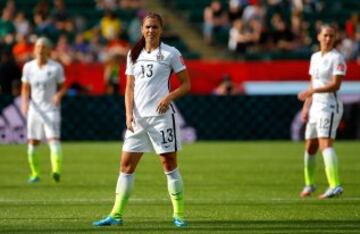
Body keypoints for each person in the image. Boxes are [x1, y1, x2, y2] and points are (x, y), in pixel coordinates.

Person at [93, 12, 191, 227]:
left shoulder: (170, 53)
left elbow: (186, 84)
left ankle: (179, 215)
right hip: (137, 120)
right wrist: (128, 114)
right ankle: (116, 215)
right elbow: (129, 88)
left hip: (161, 119)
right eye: (147, 27)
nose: (151, 30)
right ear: (141, 29)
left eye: (155, 27)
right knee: (126, 166)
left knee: (169, 164)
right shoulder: (133, 54)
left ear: (161, 30)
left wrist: (168, 97)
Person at [298, 24, 346, 199]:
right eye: (325, 35)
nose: (328, 39)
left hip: (329, 106)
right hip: (315, 107)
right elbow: (313, 82)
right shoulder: (315, 57)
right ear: (318, 36)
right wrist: (306, 107)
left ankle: (335, 185)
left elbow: (336, 84)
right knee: (310, 147)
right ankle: (309, 184)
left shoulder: (337, 58)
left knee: (325, 144)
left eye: (331, 36)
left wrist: (313, 92)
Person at [21, 37, 67, 183]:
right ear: (34, 50)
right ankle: (35, 174)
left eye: (43, 47)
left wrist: (58, 95)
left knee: (53, 140)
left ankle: (56, 171)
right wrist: (24, 102)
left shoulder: (56, 68)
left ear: (48, 50)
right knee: (32, 143)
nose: (40, 50)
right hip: (35, 110)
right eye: (38, 47)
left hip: (51, 110)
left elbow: (63, 87)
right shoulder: (28, 67)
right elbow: (25, 88)